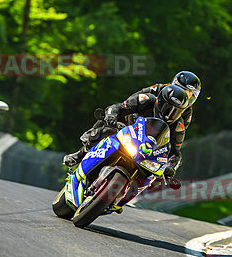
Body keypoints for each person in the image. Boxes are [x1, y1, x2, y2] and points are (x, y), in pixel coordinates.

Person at [63, 83, 196, 192]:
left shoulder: (178, 126)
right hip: (126, 129)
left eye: (176, 111)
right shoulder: (146, 99)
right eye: (167, 107)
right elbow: (118, 107)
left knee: (154, 177)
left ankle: (122, 195)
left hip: (148, 148)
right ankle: (80, 154)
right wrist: (111, 115)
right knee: (105, 130)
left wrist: (171, 167)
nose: (170, 113)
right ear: (160, 100)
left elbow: (175, 152)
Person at [63, 71, 201, 169]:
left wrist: (169, 165)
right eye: (181, 89)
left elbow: (175, 140)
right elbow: (127, 103)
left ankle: (125, 192)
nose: (184, 96)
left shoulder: (186, 115)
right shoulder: (157, 90)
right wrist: (112, 115)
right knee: (108, 124)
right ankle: (81, 153)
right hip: (131, 124)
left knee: (156, 169)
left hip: (151, 141)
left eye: (189, 94)